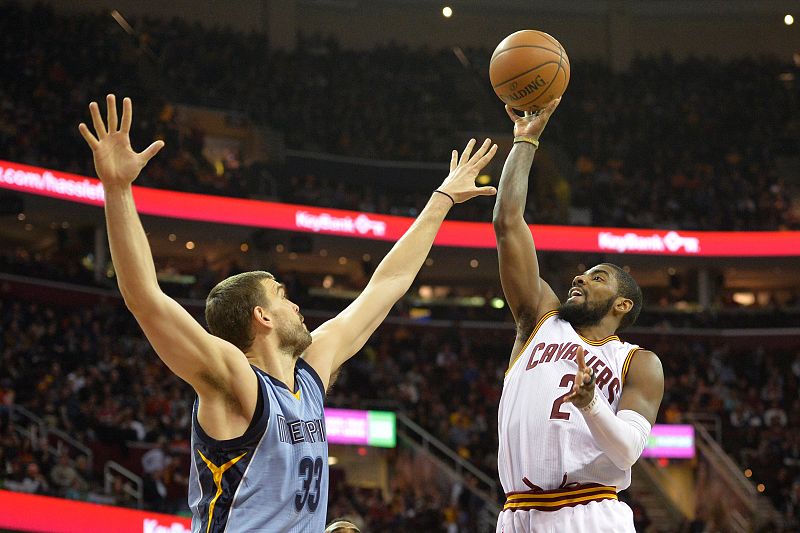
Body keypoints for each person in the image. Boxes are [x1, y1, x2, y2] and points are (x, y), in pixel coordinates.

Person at [78, 94, 497, 532]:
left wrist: (443, 198)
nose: (295, 303)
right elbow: (144, 297)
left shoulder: (310, 375)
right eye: (281, 294)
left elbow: (387, 285)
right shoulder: (235, 381)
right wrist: (117, 188)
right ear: (262, 316)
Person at [491, 99, 664, 533]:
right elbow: (507, 222)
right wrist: (526, 140)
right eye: (582, 274)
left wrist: (591, 405)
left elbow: (626, 451)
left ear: (622, 305)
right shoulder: (538, 318)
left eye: (598, 277)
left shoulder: (638, 362)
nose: (580, 278)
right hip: (515, 514)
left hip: (589, 512)